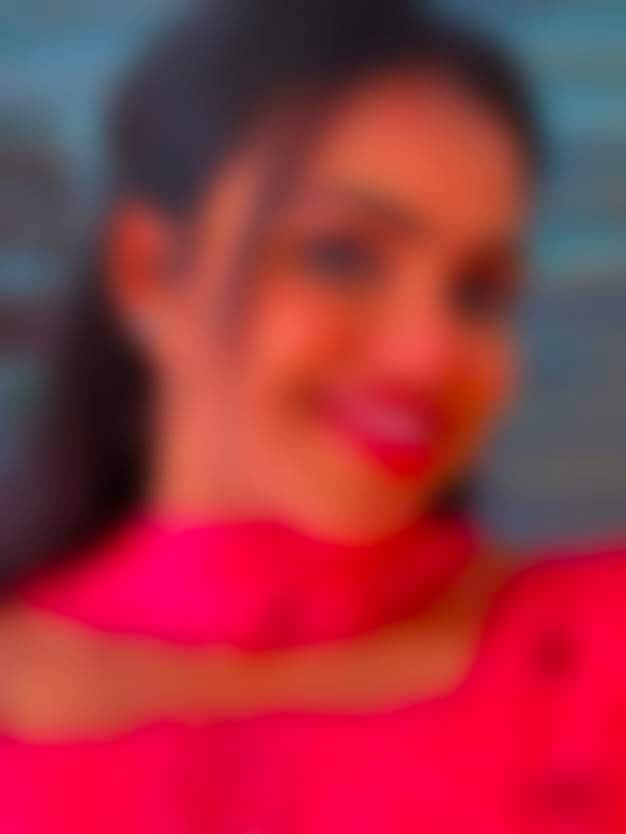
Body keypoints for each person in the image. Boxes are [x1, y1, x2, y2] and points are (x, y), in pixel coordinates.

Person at [1, 1, 625, 831]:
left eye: (479, 292)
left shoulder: (598, 651)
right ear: (151, 271)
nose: (428, 355)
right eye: (341, 255)